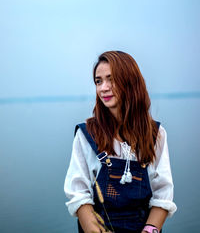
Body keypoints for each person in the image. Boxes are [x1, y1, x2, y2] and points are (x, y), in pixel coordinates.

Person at [64, 51, 177, 233]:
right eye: (98, 81)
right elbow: (78, 194)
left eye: (111, 79)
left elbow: (163, 194)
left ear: (130, 82)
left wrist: (150, 229)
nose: (103, 88)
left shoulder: (157, 134)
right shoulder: (86, 134)